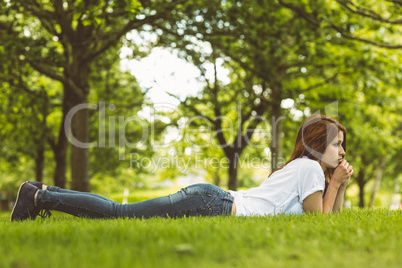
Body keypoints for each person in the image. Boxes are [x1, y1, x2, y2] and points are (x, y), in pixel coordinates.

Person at [10, 114, 353, 221]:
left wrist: (338, 184)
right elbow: (318, 221)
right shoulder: (309, 168)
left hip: (213, 200)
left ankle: (42, 193)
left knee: (122, 213)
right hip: (214, 204)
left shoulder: (303, 169)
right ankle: (40, 198)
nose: (341, 151)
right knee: (120, 214)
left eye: (342, 145)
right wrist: (335, 184)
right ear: (316, 144)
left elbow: (328, 218)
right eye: (336, 143)